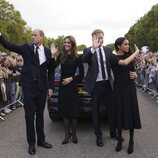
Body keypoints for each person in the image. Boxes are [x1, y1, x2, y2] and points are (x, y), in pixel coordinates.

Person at [0, 29, 53, 155]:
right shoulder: (26, 48)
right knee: (29, 117)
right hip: (29, 87)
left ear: (42, 37)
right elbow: (9, 45)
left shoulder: (47, 51)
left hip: (41, 88)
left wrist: (50, 86)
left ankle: (41, 140)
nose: (32, 37)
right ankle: (31, 143)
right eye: (32, 35)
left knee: (40, 116)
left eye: (35, 35)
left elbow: (51, 70)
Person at [82, 29, 116, 147]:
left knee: (112, 110)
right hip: (96, 86)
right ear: (93, 38)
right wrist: (94, 48)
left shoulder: (108, 50)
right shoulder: (88, 50)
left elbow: (114, 64)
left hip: (107, 84)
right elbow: (84, 59)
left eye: (101, 37)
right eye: (97, 37)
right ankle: (99, 136)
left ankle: (113, 132)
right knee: (95, 112)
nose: (100, 39)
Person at [110, 37, 141, 154]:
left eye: (128, 44)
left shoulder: (129, 58)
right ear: (119, 46)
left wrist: (136, 75)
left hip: (130, 88)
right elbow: (124, 63)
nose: (128, 46)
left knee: (131, 113)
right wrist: (137, 52)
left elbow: (132, 70)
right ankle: (119, 140)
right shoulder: (113, 57)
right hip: (118, 89)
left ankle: (131, 141)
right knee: (119, 113)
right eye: (126, 44)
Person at [51, 36, 84, 145]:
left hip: (72, 85)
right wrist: (53, 55)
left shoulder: (77, 57)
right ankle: (66, 135)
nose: (66, 44)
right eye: (65, 42)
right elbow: (51, 67)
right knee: (64, 111)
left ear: (72, 44)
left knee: (73, 112)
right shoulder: (61, 56)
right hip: (63, 86)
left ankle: (73, 134)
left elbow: (81, 74)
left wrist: (71, 79)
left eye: (68, 42)